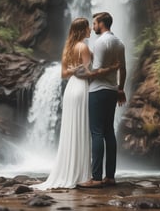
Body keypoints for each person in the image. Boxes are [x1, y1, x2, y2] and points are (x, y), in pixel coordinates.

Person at [31, 17, 118, 190]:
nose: (90, 30)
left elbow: (64, 74)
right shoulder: (83, 47)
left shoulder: (69, 47)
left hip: (71, 89)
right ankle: (83, 173)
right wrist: (110, 69)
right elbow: (89, 73)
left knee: (74, 128)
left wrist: (75, 70)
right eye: (87, 27)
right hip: (82, 89)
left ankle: (72, 170)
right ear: (82, 30)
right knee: (85, 128)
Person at [77, 11, 126, 188]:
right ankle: (110, 177)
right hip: (112, 91)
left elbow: (95, 72)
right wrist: (120, 89)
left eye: (95, 23)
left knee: (96, 133)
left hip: (97, 91)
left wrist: (82, 78)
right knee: (108, 132)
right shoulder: (119, 43)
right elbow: (123, 69)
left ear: (102, 23)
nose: (93, 26)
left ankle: (96, 178)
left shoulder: (100, 43)